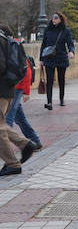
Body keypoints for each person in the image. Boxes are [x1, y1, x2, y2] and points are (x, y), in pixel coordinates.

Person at [0, 26, 39, 176]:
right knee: (1, 125)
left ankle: (13, 164)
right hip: (7, 89)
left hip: (2, 90)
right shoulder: (5, 39)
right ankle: (26, 144)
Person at [39, 11, 75, 110]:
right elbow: (43, 45)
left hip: (61, 57)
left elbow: (70, 43)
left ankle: (61, 99)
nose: (53, 19)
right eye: (53, 17)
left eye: (56, 18)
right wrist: (41, 59)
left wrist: (71, 52)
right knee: (49, 80)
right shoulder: (47, 30)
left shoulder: (65, 31)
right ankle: (49, 102)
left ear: (60, 19)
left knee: (61, 79)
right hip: (49, 57)